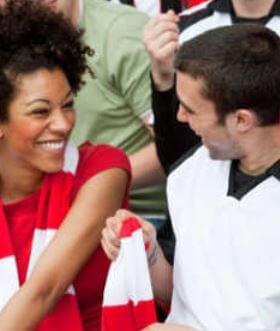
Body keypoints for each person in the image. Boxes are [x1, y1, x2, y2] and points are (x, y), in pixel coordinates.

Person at [102, 24, 280, 330]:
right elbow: (179, 291)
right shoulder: (189, 172)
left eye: (190, 109)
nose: (180, 118)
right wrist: (149, 252)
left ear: (241, 120)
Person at [0, 0, 130, 330]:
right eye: (40, 112)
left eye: (67, 106)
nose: (63, 125)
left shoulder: (103, 169)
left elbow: (43, 290)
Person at [144, 0, 280, 174]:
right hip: (211, 182)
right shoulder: (182, 27)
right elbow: (175, 157)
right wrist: (163, 81)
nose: (182, 115)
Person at [66, 0, 166, 226]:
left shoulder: (120, 33)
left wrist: (94, 183)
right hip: (58, 208)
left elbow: (180, 148)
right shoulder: (9, 36)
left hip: (139, 213)